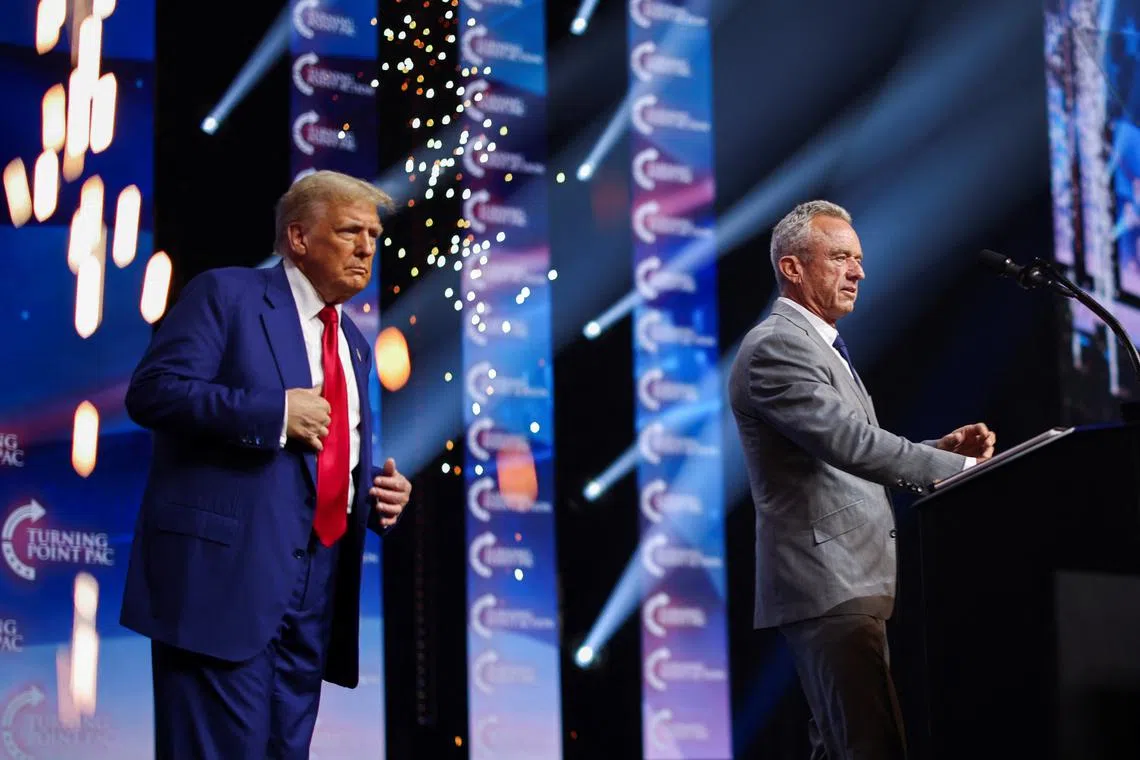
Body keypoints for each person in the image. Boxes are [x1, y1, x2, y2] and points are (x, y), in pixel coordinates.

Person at [120, 170, 413, 758]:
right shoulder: (227, 296)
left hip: (313, 598)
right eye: (350, 231)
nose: (366, 249)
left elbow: (320, 465)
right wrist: (273, 414)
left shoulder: (353, 342)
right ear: (299, 238)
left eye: (374, 237)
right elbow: (153, 392)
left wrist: (370, 497)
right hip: (221, 587)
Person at [728, 200, 996, 759]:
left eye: (860, 258)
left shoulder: (815, 346)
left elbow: (842, 452)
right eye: (841, 257)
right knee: (870, 747)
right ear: (793, 268)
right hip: (829, 580)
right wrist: (961, 470)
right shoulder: (775, 346)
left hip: (851, 580)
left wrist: (934, 451)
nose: (859, 271)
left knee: (843, 745)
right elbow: (849, 443)